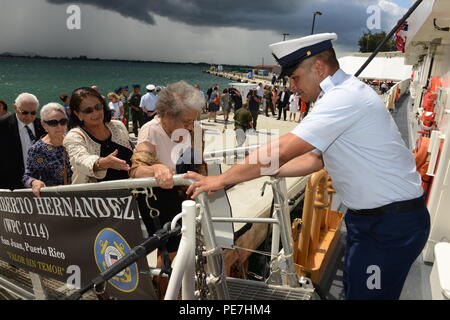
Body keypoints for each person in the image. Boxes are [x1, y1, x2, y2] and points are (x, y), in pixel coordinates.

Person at [184, 33, 430, 300]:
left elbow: (282, 149)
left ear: (318, 68)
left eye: (295, 78)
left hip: (389, 226)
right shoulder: (337, 97)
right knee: (357, 289)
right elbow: (315, 159)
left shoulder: (343, 98)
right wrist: (268, 170)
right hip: (370, 221)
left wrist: (222, 180)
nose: (292, 87)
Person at [129, 81, 207, 292]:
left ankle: (176, 291)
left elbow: (199, 163)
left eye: (194, 120)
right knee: (170, 254)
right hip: (158, 198)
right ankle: (164, 292)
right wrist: (156, 169)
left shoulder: (195, 128)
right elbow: (136, 168)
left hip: (186, 195)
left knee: (187, 250)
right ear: (167, 115)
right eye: (186, 121)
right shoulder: (150, 131)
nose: (191, 126)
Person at [64, 87, 132, 184]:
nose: (95, 113)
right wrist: (102, 163)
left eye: (98, 107)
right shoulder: (74, 136)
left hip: (130, 193)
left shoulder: (118, 126)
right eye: (88, 110)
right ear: (78, 114)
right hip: (95, 197)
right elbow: (80, 160)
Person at [23, 103, 72, 197]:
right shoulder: (37, 149)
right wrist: (34, 182)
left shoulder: (74, 141)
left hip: (81, 200)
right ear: (44, 125)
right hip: (54, 202)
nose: (59, 126)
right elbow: (27, 177)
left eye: (63, 121)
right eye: (53, 123)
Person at [0, 93, 45, 190]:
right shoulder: (2, 126)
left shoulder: (42, 125)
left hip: (40, 185)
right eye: (25, 112)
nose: (29, 116)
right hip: (10, 186)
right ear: (15, 108)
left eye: (33, 113)